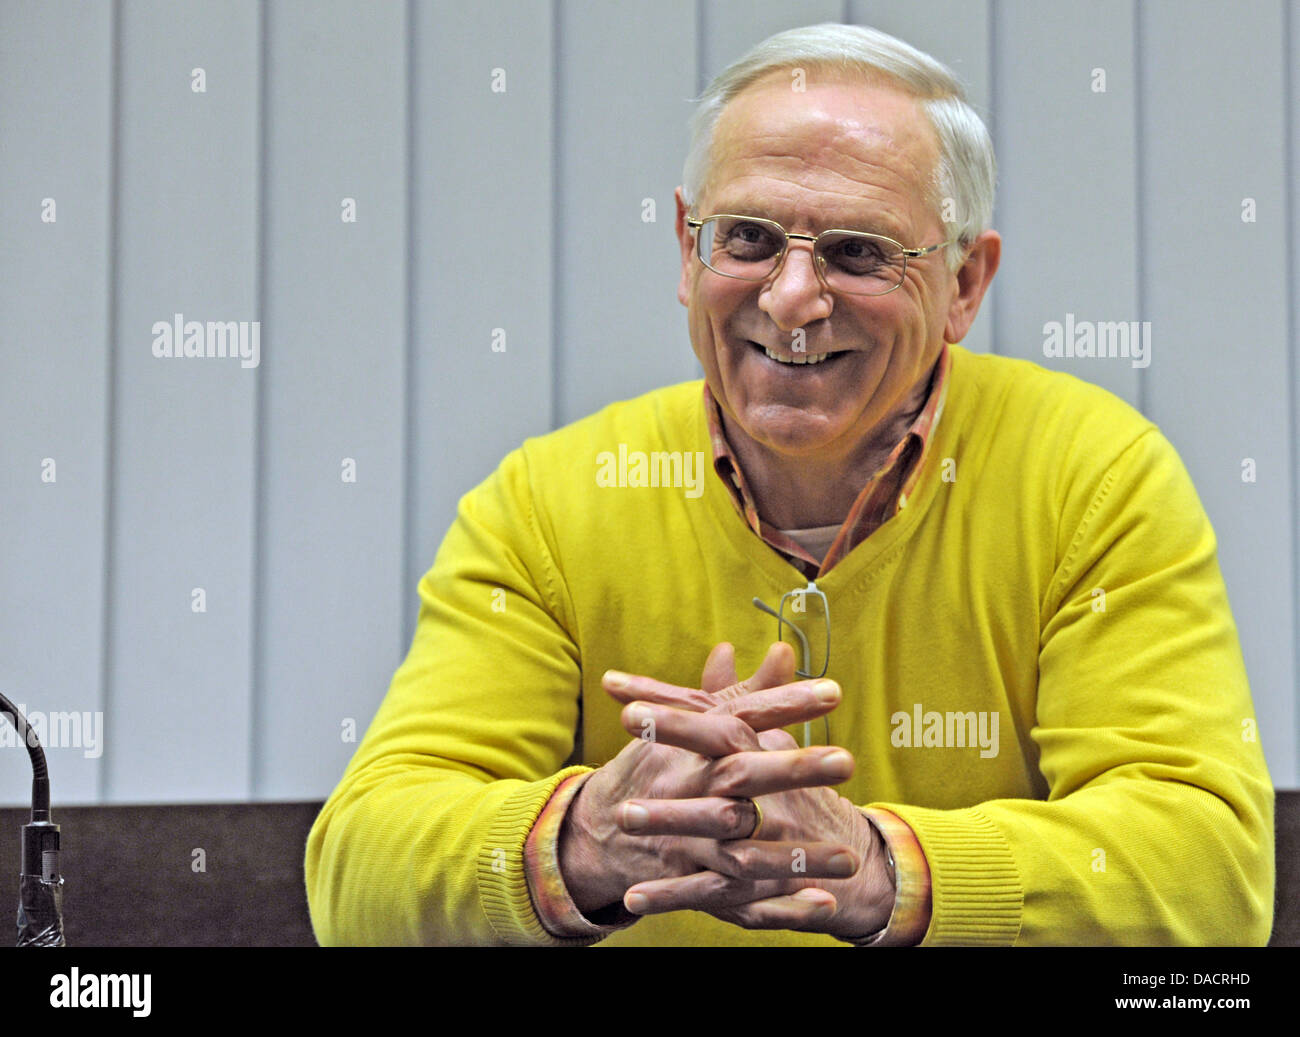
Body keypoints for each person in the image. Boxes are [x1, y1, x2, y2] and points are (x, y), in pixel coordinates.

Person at [304, 23, 1274, 946]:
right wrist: (586, 837)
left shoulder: (1093, 476)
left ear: (966, 284)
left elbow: (1211, 877)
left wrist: (887, 868)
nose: (792, 299)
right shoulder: (546, 503)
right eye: (749, 239)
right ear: (687, 248)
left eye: (857, 251)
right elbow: (357, 878)